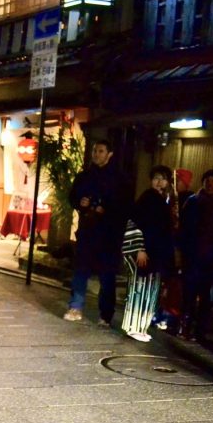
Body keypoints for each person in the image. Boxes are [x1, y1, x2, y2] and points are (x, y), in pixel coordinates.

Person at [63, 139, 131, 325]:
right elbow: (73, 196)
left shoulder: (119, 178)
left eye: (101, 151)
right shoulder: (85, 176)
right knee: (81, 269)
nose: (96, 154)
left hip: (109, 233)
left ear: (109, 154)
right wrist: (81, 203)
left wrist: (106, 209)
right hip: (88, 229)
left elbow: (124, 205)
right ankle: (75, 306)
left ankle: (106, 314)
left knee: (107, 274)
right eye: (94, 151)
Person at [177, 170, 213, 341]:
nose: (210, 184)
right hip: (193, 254)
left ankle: (201, 329)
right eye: (207, 180)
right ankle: (184, 324)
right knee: (189, 291)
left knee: (205, 295)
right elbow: (184, 228)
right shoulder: (193, 201)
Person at [120, 165, 176, 341]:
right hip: (145, 250)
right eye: (156, 178)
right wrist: (139, 248)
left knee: (150, 288)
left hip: (156, 251)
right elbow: (134, 222)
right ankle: (133, 326)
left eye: (163, 178)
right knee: (139, 287)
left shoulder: (164, 200)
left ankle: (141, 327)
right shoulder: (147, 198)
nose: (159, 181)